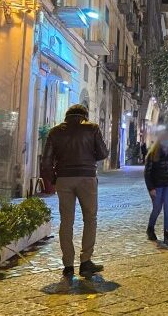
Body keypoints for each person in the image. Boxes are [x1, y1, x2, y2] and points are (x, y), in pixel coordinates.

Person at [43, 104, 108, 277]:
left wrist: (55, 179)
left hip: (64, 178)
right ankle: (85, 261)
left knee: (66, 221)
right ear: (84, 116)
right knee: (90, 218)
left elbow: (46, 162)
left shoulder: (55, 132)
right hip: (87, 178)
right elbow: (103, 153)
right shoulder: (92, 128)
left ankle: (68, 265)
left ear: (67, 116)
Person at [144, 131, 168, 246]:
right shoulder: (153, 154)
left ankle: (167, 234)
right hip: (157, 186)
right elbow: (147, 173)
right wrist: (151, 188)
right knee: (157, 209)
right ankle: (150, 228)